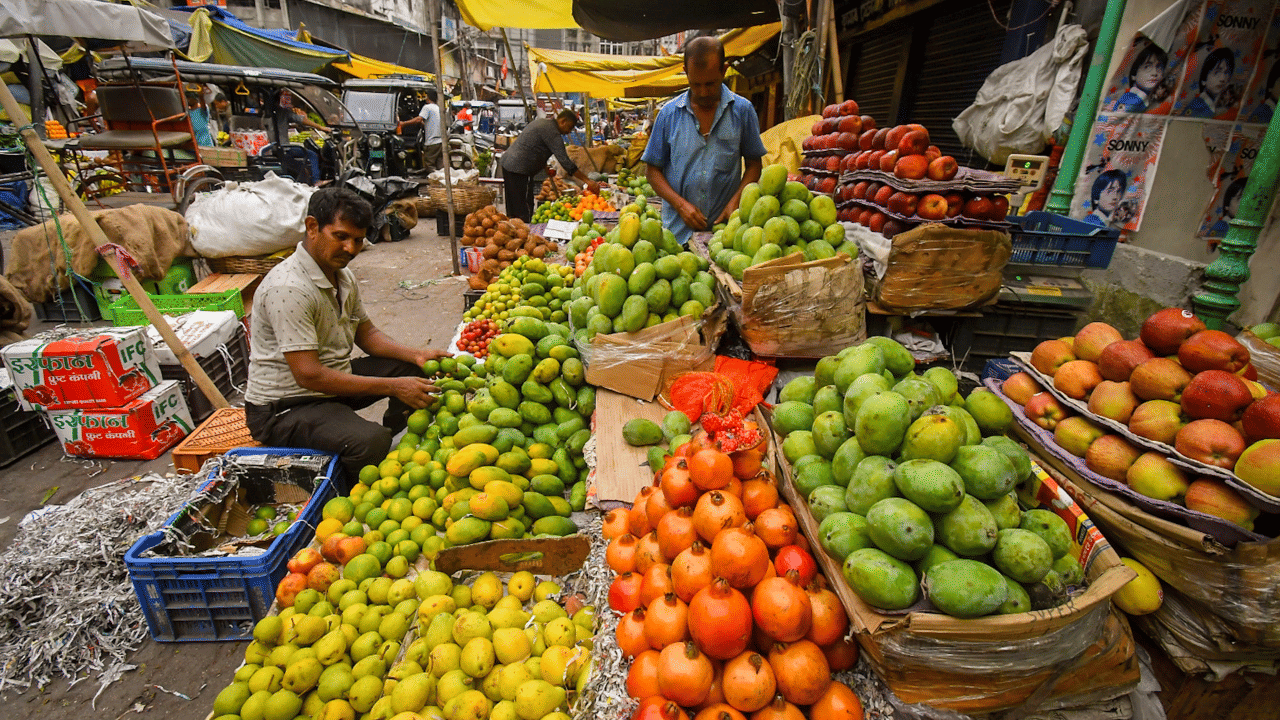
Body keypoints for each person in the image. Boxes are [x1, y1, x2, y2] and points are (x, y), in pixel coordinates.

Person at [244, 187, 449, 486]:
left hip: (330, 383)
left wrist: (416, 355)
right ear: (312, 227)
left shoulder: (342, 276)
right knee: (370, 440)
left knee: (415, 372)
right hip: (286, 407)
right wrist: (393, 386)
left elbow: (367, 334)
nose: (351, 249)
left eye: (358, 239)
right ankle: (353, 489)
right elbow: (309, 376)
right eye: (341, 237)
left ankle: (404, 447)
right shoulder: (288, 289)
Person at [642, 36, 767, 245]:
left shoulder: (743, 111)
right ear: (685, 72)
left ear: (724, 70)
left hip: (725, 236)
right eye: (695, 84)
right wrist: (680, 205)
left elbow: (754, 165)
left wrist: (735, 202)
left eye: (710, 84)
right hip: (676, 237)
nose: (703, 92)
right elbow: (652, 171)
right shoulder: (668, 115)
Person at [500, 108, 600, 221]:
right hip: (519, 168)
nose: (569, 131)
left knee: (514, 205)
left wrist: (544, 165)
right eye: (570, 127)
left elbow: (533, 146)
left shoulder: (543, 123)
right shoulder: (552, 132)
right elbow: (566, 162)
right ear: (563, 121)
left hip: (509, 164)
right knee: (522, 208)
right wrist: (588, 181)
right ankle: (522, 230)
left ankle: (513, 228)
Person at [396, 87, 443, 172]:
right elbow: (428, 121)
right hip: (440, 140)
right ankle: (442, 180)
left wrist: (403, 124)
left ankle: (435, 180)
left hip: (432, 141)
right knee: (439, 164)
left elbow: (418, 119)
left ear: (428, 97)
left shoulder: (427, 107)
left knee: (429, 164)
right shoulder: (437, 108)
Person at [1112, 43, 1168, 113]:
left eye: (1159, 68)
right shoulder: (1130, 97)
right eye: (1147, 67)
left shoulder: (1155, 100)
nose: (1155, 73)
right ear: (1134, 74)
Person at [1183, 47, 1235, 118]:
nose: (1223, 79)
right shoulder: (1197, 106)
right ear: (1204, 79)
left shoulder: (1214, 107)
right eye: (1217, 72)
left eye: (1227, 72)